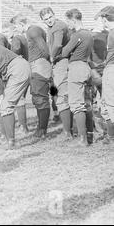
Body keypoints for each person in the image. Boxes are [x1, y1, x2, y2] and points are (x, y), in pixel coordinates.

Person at [11, 14, 51, 139]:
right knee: (38, 97)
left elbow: (45, 50)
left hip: (38, 65)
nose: (17, 29)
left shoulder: (32, 30)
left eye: (16, 26)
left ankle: (42, 130)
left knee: (41, 98)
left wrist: (42, 64)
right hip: (37, 64)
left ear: (21, 24)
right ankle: (41, 128)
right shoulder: (32, 31)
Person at [61, 9, 94, 146]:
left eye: (68, 21)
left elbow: (64, 52)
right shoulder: (89, 34)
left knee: (76, 104)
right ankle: (89, 135)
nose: (68, 24)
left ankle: (83, 139)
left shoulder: (77, 34)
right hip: (86, 67)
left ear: (73, 20)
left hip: (76, 67)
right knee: (86, 102)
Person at [40, 7, 72, 139]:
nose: (49, 20)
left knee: (61, 96)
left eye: (50, 17)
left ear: (54, 15)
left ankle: (68, 132)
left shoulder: (58, 26)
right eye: (46, 19)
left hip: (61, 62)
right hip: (60, 63)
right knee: (56, 92)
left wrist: (52, 58)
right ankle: (63, 122)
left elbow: (58, 45)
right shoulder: (53, 27)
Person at [94, 6, 114, 145]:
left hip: (111, 70)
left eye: (102, 20)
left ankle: (112, 137)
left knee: (108, 105)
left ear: (105, 19)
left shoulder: (112, 33)